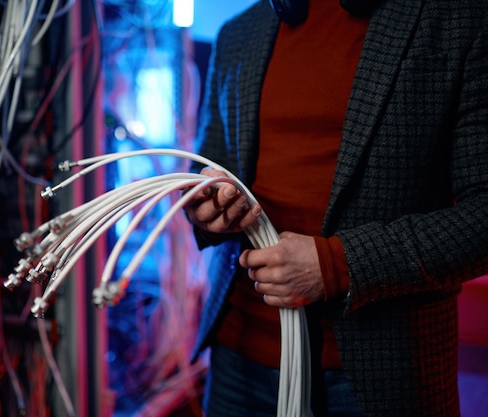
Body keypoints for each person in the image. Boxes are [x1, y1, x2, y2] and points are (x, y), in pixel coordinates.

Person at [183, 0, 488, 416]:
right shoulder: (239, 32)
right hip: (238, 356)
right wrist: (205, 210)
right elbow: (207, 167)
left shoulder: (460, 18)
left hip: (384, 372)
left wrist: (336, 266)